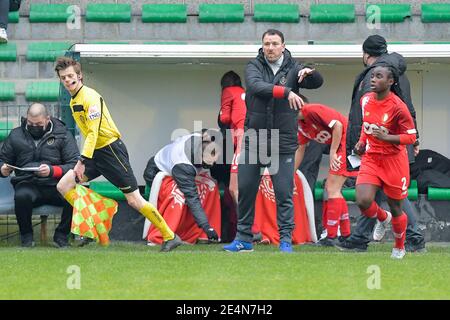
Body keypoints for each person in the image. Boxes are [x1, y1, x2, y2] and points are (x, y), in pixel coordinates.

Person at [53, 57, 182, 252]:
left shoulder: (90, 97)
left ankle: (170, 236)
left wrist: (81, 162)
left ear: (80, 76)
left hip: (111, 151)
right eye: (63, 77)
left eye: (70, 76)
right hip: (94, 152)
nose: (67, 80)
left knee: (134, 200)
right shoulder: (74, 100)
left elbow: (94, 132)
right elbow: (89, 135)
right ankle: (94, 224)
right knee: (64, 185)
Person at [223, 29, 323, 253]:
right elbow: (257, 86)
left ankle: (285, 239)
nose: (270, 47)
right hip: (255, 139)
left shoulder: (295, 68)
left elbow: (317, 83)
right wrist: (286, 92)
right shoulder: (253, 66)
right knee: (246, 189)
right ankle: (244, 239)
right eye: (266, 43)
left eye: (274, 43)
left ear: (283, 45)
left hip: (282, 141)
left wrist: (310, 73)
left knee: (283, 192)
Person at [338, 34, 426, 253]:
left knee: (395, 197)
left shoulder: (376, 76)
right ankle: (360, 238)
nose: (374, 80)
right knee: (370, 195)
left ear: (366, 54)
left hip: (389, 146)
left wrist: (360, 141)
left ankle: (414, 237)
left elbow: (367, 117)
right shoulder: (396, 74)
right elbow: (409, 108)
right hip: (379, 145)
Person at [353, 64, 417, 259]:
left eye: (378, 76)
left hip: (394, 161)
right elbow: (366, 125)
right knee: (363, 200)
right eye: (372, 76)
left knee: (396, 206)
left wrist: (387, 138)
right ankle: (382, 218)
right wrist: (361, 142)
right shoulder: (365, 100)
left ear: (391, 81)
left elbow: (411, 137)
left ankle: (399, 247)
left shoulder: (398, 107)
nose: (373, 79)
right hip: (371, 158)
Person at [0, 103, 79, 247]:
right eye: (30, 123)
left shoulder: (63, 134)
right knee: (21, 195)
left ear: (47, 119)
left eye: (38, 124)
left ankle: (61, 236)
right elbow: (3, 159)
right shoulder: (16, 135)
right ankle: (27, 237)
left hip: (56, 184)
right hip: (28, 184)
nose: (33, 126)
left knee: (73, 197)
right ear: (26, 118)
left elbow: (74, 164)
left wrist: (52, 170)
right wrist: (3, 169)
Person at [295, 99, 356, 246]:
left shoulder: (311, 110)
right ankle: (346, 234)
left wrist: (333, 152)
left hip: (347, 144)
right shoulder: (302, 125)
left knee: (332, 189)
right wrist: (293, 172)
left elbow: (338, 125)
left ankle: (331, 235)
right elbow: (300, 148)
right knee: (333, 189)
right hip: (343, 145)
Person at [143, 130, 221, 243]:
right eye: (212, 158)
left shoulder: (202, 139)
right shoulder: (183, 165)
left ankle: (202, 235)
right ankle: (165, 235)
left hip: (182, 172)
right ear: (201, 155)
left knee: (210, 185)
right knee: (177, 194)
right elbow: (192, 198)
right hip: (158, 174)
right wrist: (206, 226)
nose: (215, 161)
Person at [217, 70, 246, 204]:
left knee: (233, 187)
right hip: (257, 135)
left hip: (242, 137)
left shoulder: (228, 91)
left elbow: (224, 118)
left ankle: (244, 222)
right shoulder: (245, 92)